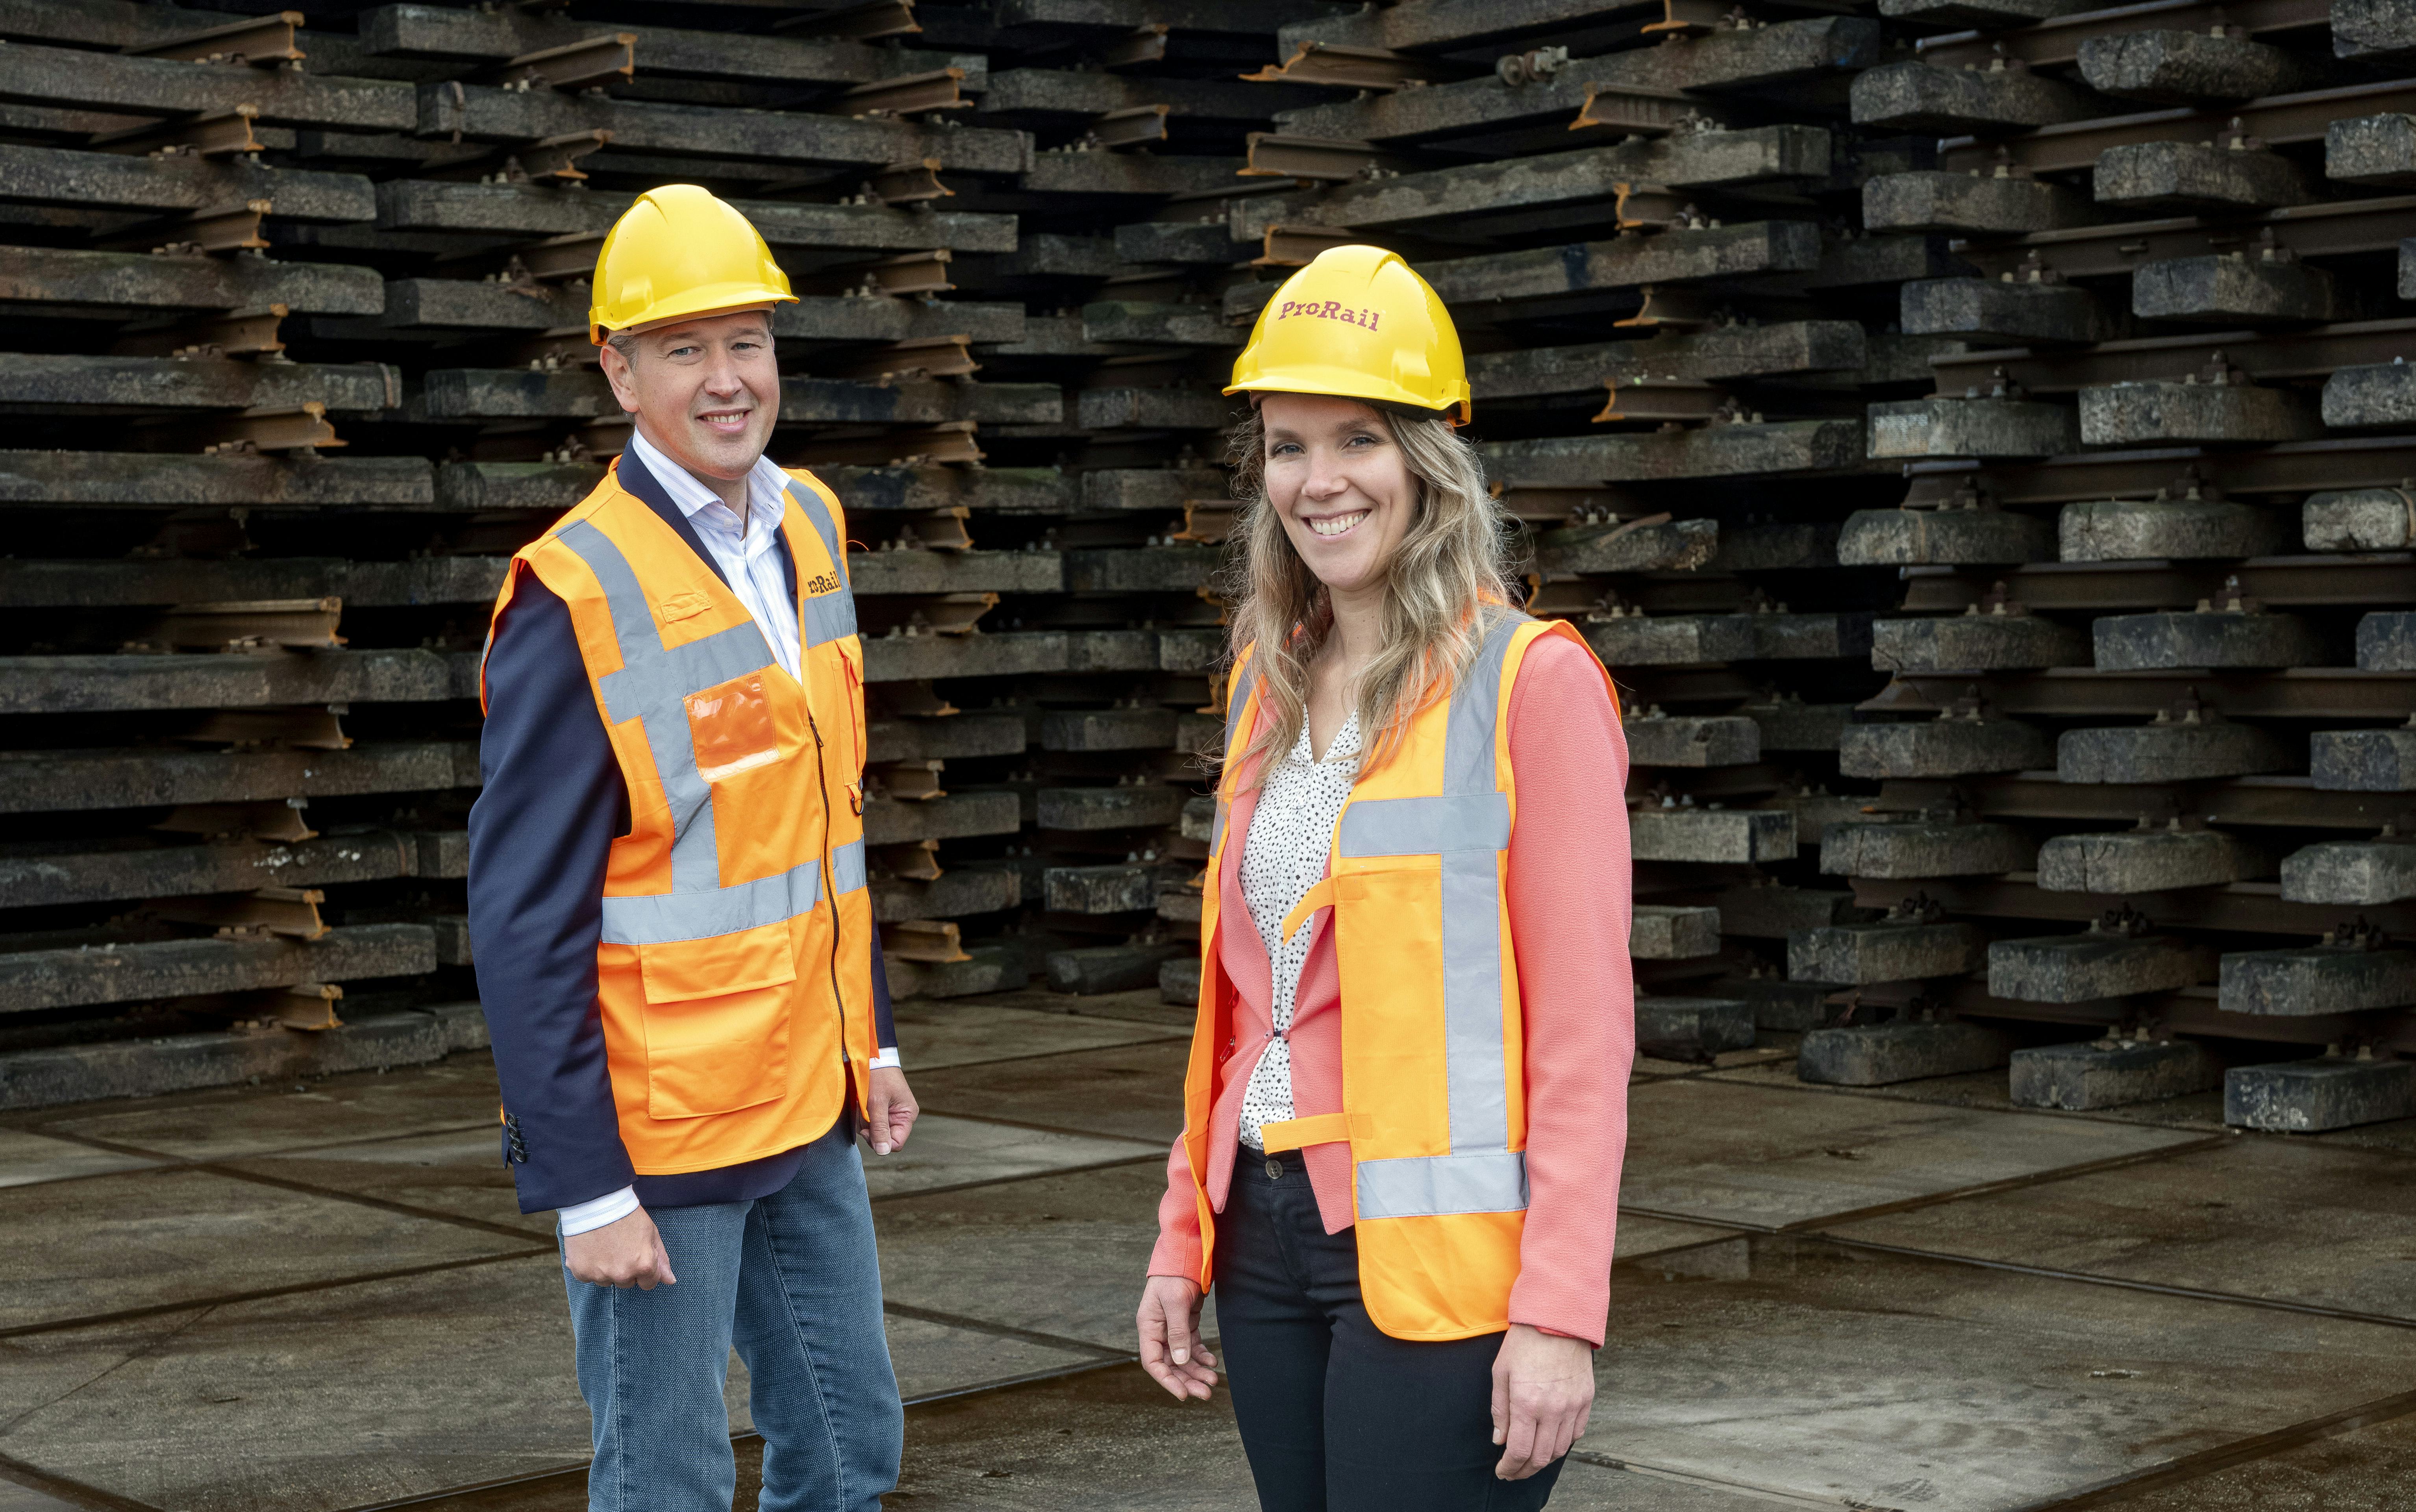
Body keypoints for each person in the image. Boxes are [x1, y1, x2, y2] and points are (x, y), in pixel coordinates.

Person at [1133, 244, 1636, 1512]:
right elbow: (1240, 1006)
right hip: (1261, 1227)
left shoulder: (1531, 684)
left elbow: (1584, 1035)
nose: (1319, 480)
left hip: (1441, 1262)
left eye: (1357, 438)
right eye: (1287, 444)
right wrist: (1179, 1236)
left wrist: (1561, 1309)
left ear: (1430, 458)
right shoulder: (1268, 680)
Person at [467, 184, 915, 1512]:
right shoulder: (575, 592)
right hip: (659, 1137)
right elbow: (522, 915)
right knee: (663, 1478)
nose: (728, 381)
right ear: (618, 371)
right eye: (685, 350)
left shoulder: (811, 527)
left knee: (848, 1444)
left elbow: (822, 821)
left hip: (807, 1100)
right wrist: (582, 1184)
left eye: (748, 343)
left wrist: (871, 1035)